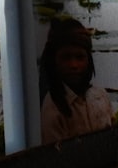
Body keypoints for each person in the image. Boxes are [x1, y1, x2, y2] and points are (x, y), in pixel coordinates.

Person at [37, 16, 113, 144]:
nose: (74, 65)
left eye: (80, 57)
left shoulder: (101, 95)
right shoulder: (52, 108)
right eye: (66, 57)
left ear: (89, 60)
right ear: (54, 61)